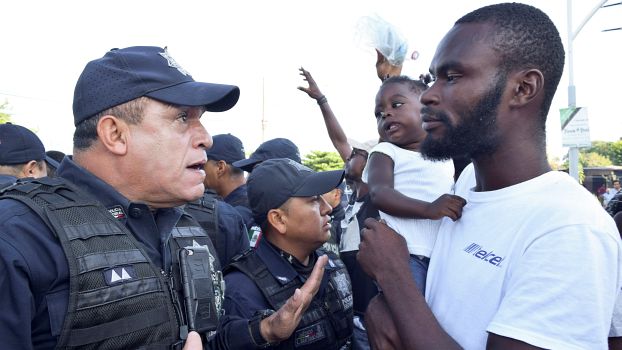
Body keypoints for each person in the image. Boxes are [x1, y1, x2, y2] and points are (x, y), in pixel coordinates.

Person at [0, 46, 328, 350]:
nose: (206, 138)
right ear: (115, 134)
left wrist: (263, 331)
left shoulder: (191, 227)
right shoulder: (19, 237)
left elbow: (206, 338)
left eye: (201, 119)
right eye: (183, 118)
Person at [357, 3, 621, 350]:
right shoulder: (468, 182)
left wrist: (395, 279)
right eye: (432, 78)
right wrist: (384, 309)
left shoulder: (568, 228)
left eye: (451, 77)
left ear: (523, 88)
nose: (430, 95)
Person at [224, 158, 353, 349]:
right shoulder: (242, 290)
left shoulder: (333, 264)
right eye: (313, 200)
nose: (327, 208)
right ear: (278, 219)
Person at [363, 75, 465, 294]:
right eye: (379, 114)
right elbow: (380, 193)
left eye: (396, 104)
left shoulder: (445, 156)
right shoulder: (384, 152)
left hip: (443, 258)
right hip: (406, 257)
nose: (386, 114)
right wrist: (429, 209)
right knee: (408, 320)